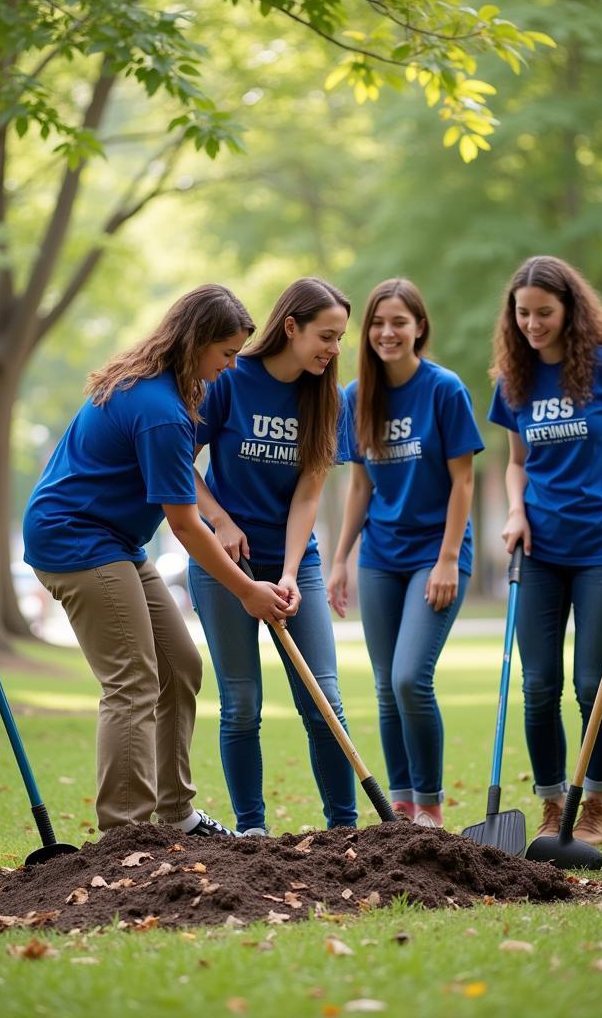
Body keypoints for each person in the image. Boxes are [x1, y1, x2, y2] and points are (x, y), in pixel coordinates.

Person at [23, 285, 288, 839]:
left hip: (114, 541)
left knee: (180, 666)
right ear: (196, 343)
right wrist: (246, 590)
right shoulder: (161, 410)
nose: (230, 366)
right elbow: (187, 525)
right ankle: (125, 831)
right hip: (76, 540)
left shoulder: (152, 384)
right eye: (226, 354)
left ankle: (176, 812)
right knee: (133, 681)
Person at [486, 256, 602, 845]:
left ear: (569, 310)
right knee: (538, 686)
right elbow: (515, 463)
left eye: (544, 313)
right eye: (522, 313)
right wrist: (515, 509)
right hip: (539, 551)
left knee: (592, 683)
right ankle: (553, 806)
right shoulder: (514, 380)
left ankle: (597, 806)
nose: (532, 323)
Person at [189, 277, 358, 834]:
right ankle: (252, 830)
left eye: (339, 338)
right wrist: (220, 519)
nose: (334, 349)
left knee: (324, 699)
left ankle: (345, 829)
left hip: (294, 560)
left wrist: (289, 572)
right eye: (326, 336)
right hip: (224, 563)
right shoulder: (230, 381)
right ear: (291, 326)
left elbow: (310, 491)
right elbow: (177, 464)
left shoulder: (327, 399)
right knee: (240, 702)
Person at [328, 278, 483, 828]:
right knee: (384, 686)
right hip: (380, 558)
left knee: (409, 677)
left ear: (419, 326)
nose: (387, 332)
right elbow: (360, 486)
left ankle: (431, 809)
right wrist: (340, 559)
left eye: (398, 322)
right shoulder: (355, 397)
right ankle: (401, 806)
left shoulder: (444, 389)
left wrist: (447, 559)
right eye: (377, 323)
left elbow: (463, 482)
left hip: (435, 555)